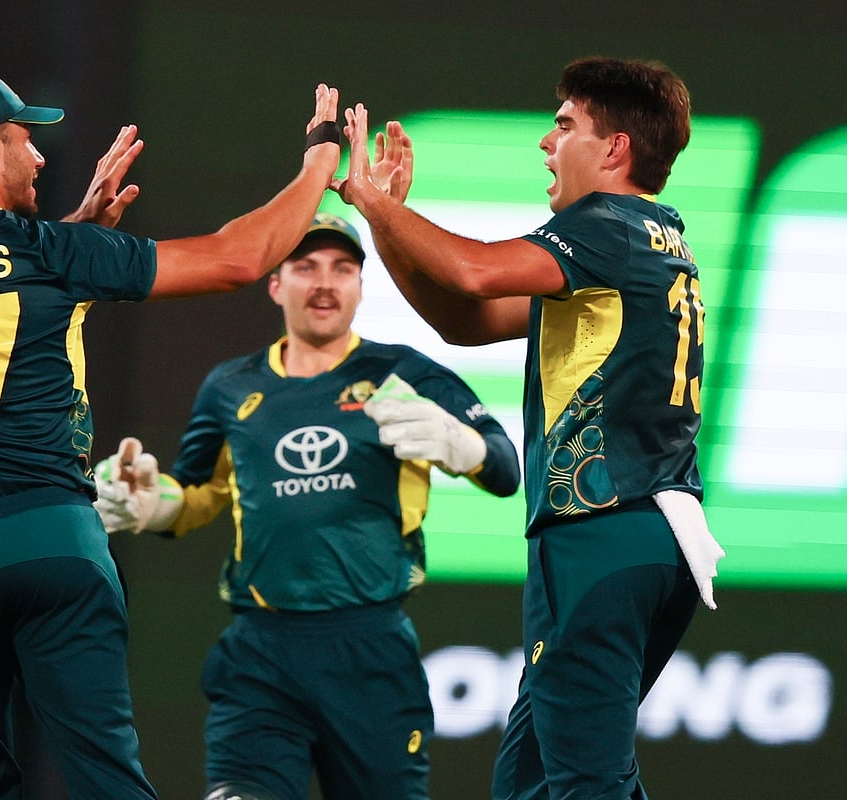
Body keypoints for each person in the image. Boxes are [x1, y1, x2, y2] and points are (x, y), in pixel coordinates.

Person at [0, 69, 342, 800]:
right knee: (108, 783)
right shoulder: (55, 254)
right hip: (54, 542)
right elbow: (239, 259)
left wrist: (74, 231)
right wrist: (320, 163)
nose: (39, 155)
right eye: (24, 138)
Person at [332, 57, 725, 799]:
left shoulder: (603, 227)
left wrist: (373, 203)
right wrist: (385, 224)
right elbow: (466, 320)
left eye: (566, 125)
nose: (548, 142)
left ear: (614, 149)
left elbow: (475, 272)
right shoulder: (652, 236)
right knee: (534, 780)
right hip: (650, 532)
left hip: (598, 532)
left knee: (581, 783)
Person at [92, 212, 521, 800]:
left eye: (342, 269)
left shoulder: (403, 373)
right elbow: (193, 496)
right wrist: (147, 502)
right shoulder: (231, 386)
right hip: (261, 655)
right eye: (306, 267)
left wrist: (461, 443)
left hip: (371, 652)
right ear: (275, 284)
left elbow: (505, 469)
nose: (325, 283)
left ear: (361, 286)